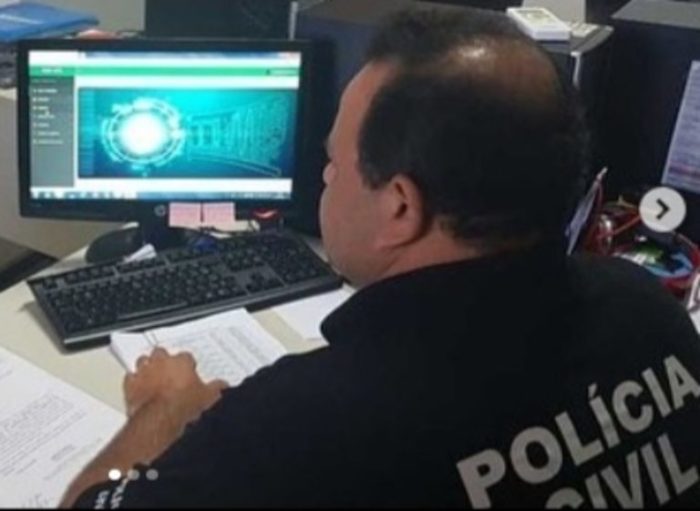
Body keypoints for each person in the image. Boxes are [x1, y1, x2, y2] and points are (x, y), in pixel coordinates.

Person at [64, 7, 700, 508]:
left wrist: (162, 409)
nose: (325, 178)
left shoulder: (299, 428)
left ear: (400, 206)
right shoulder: (646, 310)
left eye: (334, 163)